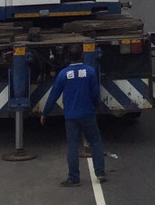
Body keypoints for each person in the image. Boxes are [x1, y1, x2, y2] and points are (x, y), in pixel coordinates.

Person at [40, 43, 107, 187]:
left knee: (72, 145)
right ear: (81, 56)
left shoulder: (63, 74)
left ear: (67, 58)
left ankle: (74, 178)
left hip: (71, 116)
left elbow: (53, 95)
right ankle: (100, 172)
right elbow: (95, 93)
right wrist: (97, 106)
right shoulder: (90, 72)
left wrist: (45, 113)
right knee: (95, 141)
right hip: (88, 113)